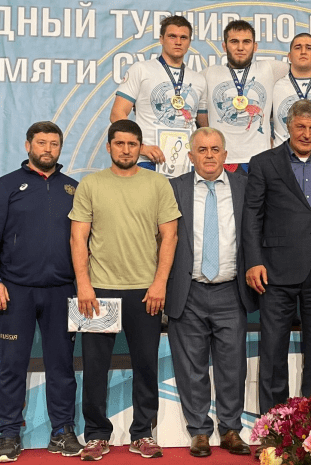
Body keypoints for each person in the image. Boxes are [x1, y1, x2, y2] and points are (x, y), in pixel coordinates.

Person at [69, 120, 180, 460]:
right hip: (98, 291)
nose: (126, 149)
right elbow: (78, 238)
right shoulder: (91, 184)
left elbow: (170, 236)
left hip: (145, 292)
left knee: (146, 365)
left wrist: (159, 283)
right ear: (109, 146)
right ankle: (96, 435)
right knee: (94, 366)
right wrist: (84, 285)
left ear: (140, 147)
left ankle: (142, 433)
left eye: (133, 144)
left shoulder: (158, 184)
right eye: (120, 143)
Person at [243, 100, 311, 420]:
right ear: (288, 126)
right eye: (301, 126)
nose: (307, 134)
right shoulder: (263, 163)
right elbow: (252, 216)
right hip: (275, 271)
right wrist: (253, 260)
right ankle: (274, 421)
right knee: (273, 349)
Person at [165, 127, 256, 458]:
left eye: (215, 149)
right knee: (191, 368)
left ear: (225, 155)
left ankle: (231, 430)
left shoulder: (245, 187)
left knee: (233, 366)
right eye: (202, 150)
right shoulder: (173, 188)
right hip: (187, 291)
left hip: (231, 291)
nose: (209, 155)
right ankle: (199, 431)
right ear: (191, 156)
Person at [0, 122, 83, 461]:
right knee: (10, 365)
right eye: (41, 143)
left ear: (60, 148)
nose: (47, 149)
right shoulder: (7, 186)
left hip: (62, 291)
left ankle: (62, 431)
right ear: (28, 146)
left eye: (54, 143)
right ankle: (7, 434)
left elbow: (86, 241)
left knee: (62, 365)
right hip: (15, 290)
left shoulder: (74, 189)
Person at [202, 20, 311, 174]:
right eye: (234, 41)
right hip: (222, 160)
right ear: (224, 46)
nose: (240, 47)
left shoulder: (268, 68)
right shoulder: (208, 74)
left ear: (255, 46)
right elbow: (200, 115)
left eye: (246, 42)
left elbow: (307, 67)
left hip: (259, 161)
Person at [110, 15, 207, 177]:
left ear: (189, 42)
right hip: (148, 160)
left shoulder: (199, 79)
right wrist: (141, 147)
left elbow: (204, 126)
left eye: (183, 37)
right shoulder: (141, 70)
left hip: (186, 163)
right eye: (172, 36)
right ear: (161, 39)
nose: (178, 42)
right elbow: (117, 114)